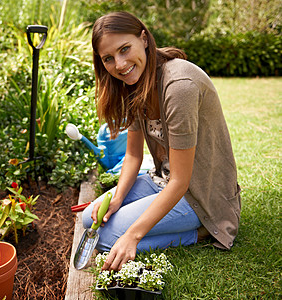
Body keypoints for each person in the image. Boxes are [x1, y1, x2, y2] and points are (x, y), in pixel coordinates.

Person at [82, 11, 241, 271]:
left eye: (124, 49)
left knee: (109, 239)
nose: (120, 65)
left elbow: (181, 180)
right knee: (91, 221)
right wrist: (118, 197)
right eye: (108, 58)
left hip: (198, 195)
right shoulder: (133, 84)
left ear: (144, 39)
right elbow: (133, 156)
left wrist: (133, 236)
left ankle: (202, 232)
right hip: (161, 181)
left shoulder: (179, 86)